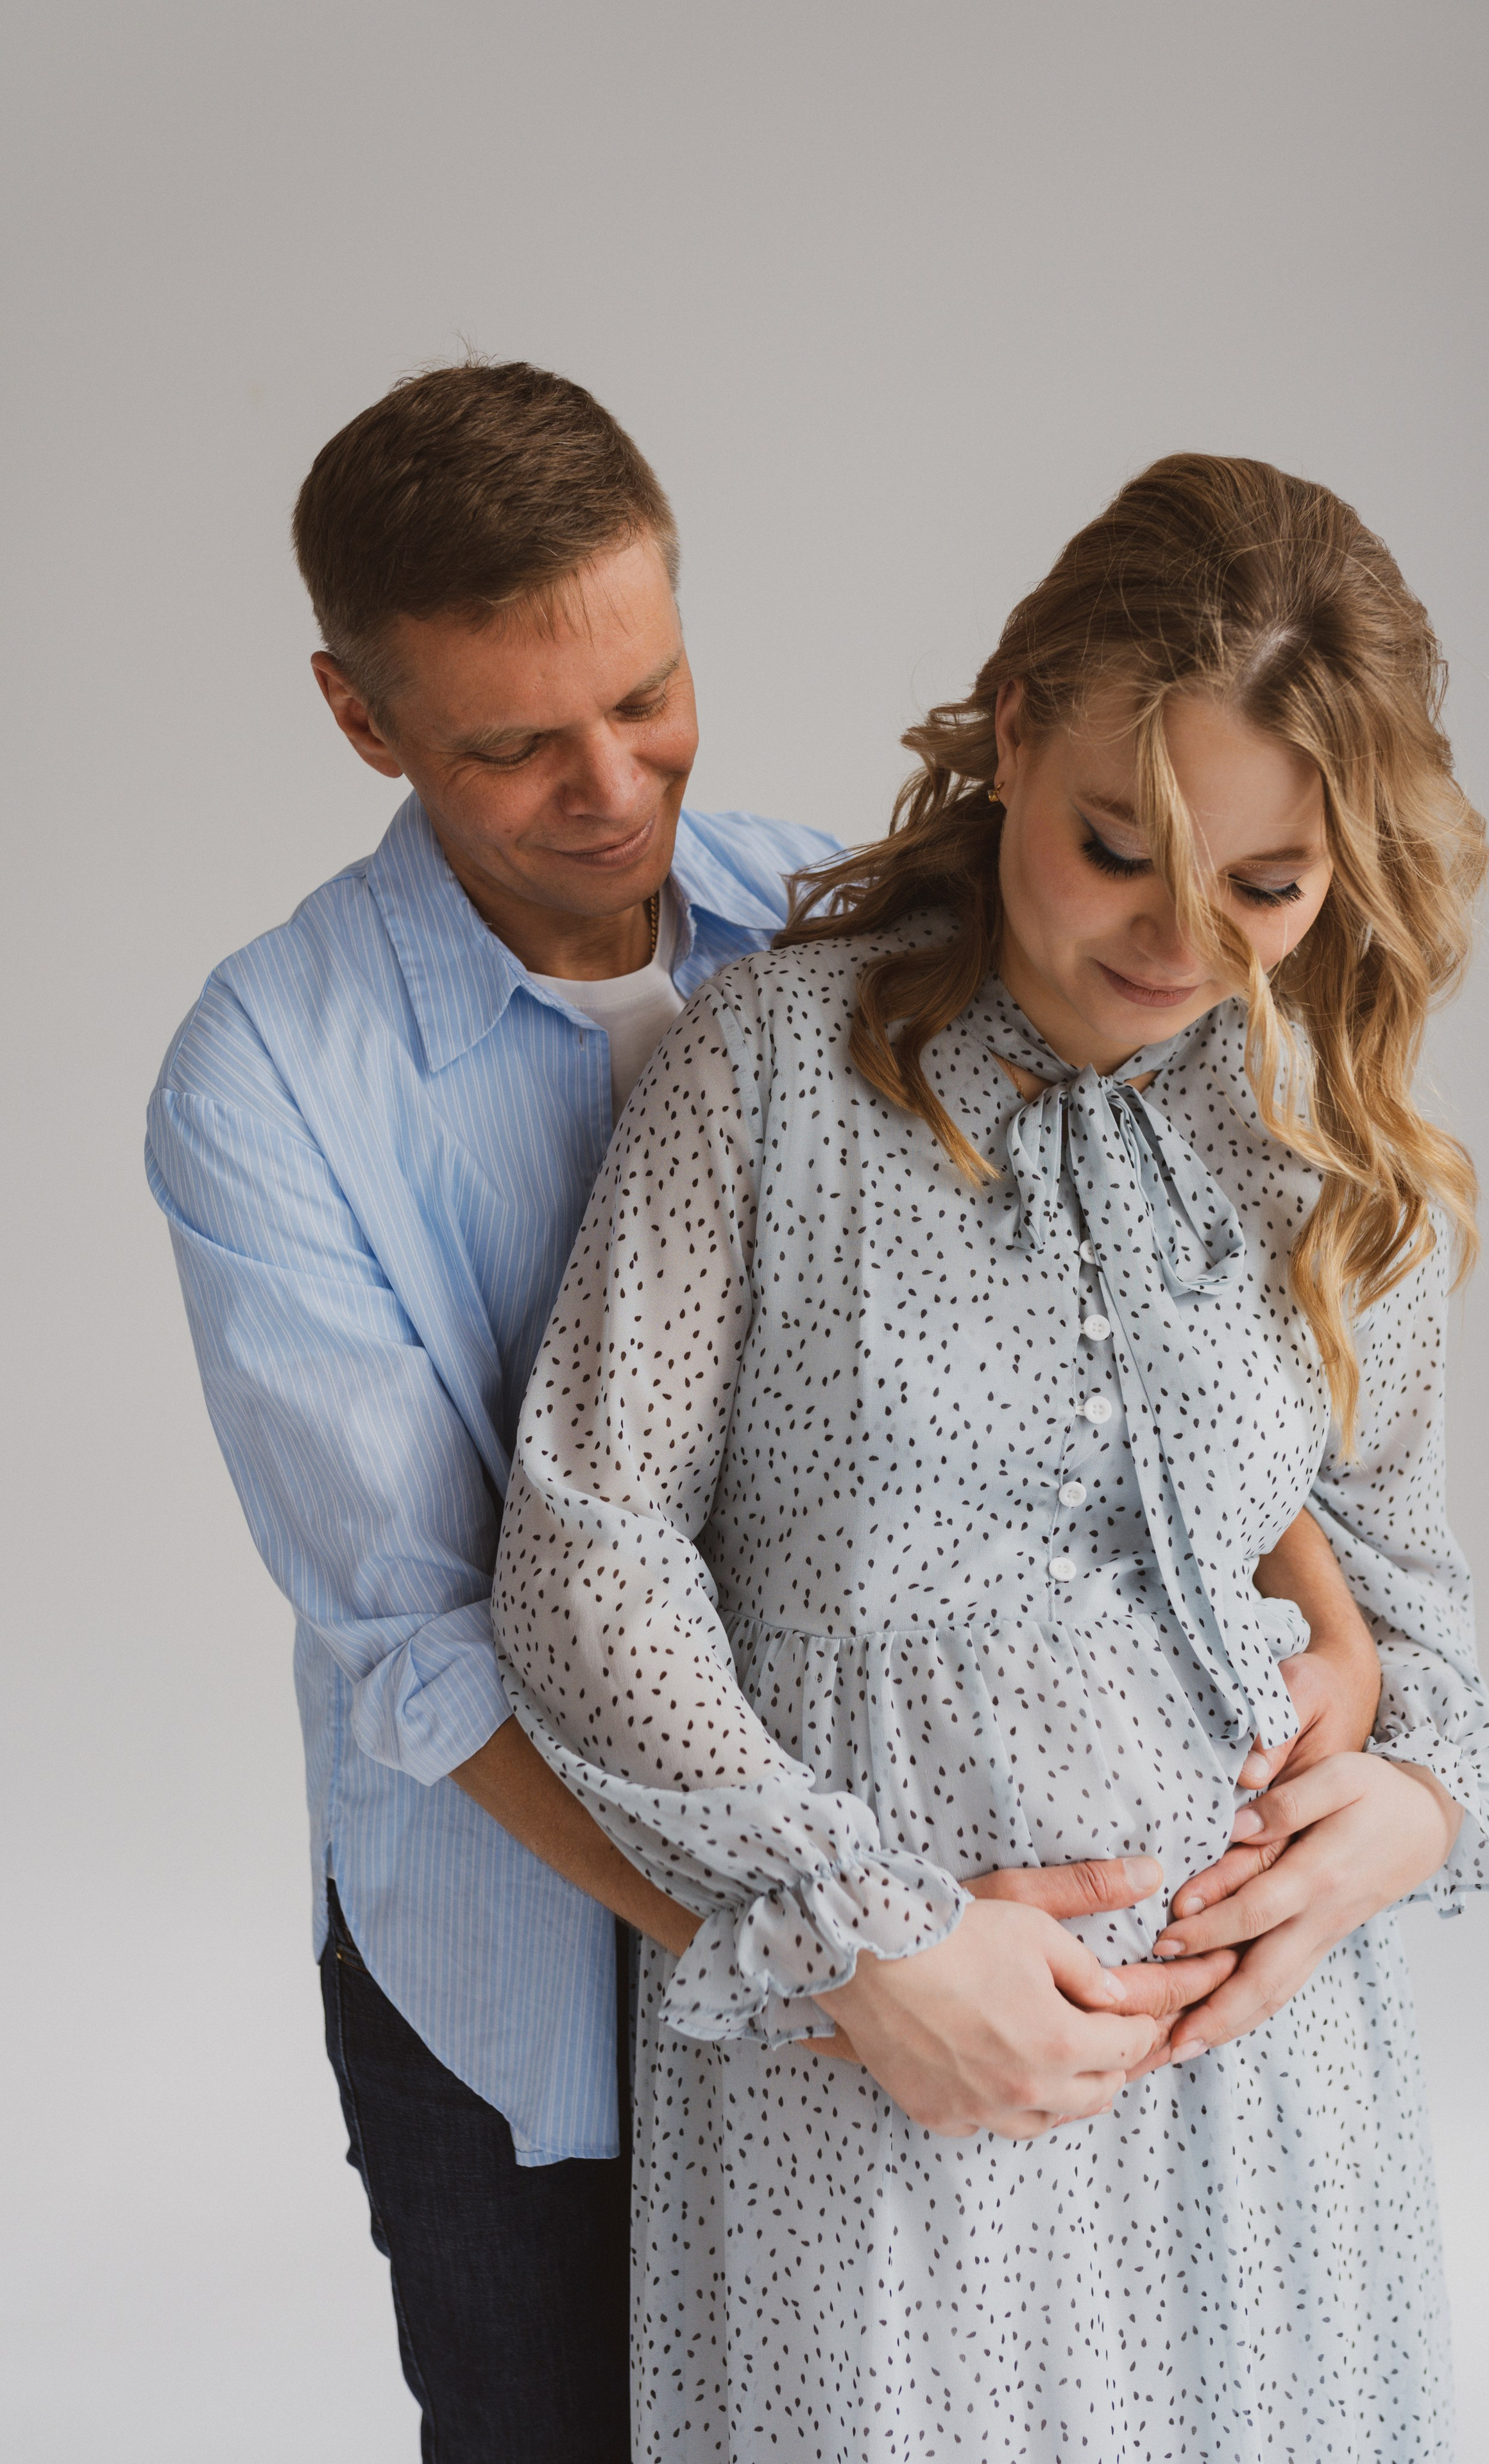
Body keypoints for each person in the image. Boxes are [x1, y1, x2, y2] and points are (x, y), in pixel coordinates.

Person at [493, 452, 1489, 2461]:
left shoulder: (1326, 1140)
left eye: (1267, 885)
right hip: (886, 2076)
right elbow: (586, 1558)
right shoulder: (769, 1072)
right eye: (1117, 846)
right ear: (1015, 727)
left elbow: (1411, 1597)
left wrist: (1412, 1808)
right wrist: (861, 1920)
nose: (1179, 941)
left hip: (1265, 2096)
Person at [144, 361, 843, 2461]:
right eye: (517, 745)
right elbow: (422, 1649)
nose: (616, 786)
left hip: (878, 1874)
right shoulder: (262, 1079)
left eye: (648, 693)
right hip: (518, 1962)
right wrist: (810, 1958)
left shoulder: (847, 927)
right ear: (363, 720)